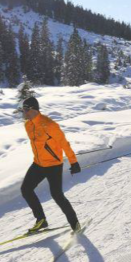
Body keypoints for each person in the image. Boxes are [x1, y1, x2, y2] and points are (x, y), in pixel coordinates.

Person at [18, 97, 82, 233]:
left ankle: (75, 223)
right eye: (23, 110)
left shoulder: (50, 125)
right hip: (38, 164)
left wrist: (73, 162)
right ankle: (41, 220)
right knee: (26, 189)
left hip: (53, 165)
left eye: (26, 110)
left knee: (57, 195)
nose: (24, 113)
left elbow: (64, 143)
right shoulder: (28, 125)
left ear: (33, 109)